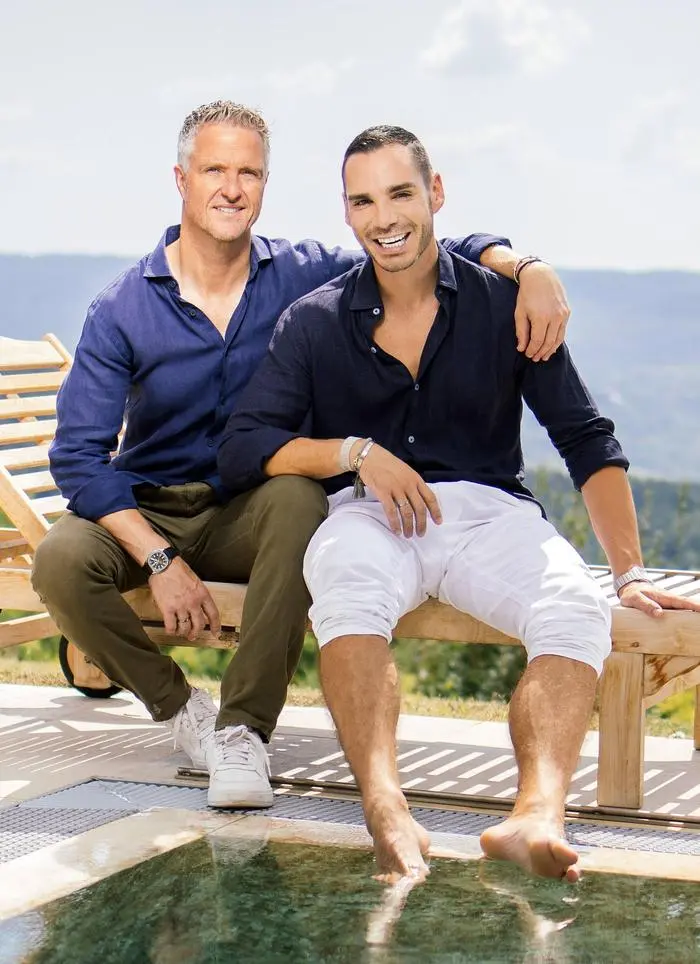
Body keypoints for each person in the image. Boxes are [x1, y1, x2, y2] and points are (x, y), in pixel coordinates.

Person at [32, 100, 571, 812]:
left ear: (264, 184)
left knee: (298, 499)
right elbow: (78, 459)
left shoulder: (301, 275)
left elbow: (411, 244)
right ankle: (179, 709)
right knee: (59, 561)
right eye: (215, 170)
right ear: (182, 179)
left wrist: (525, 265)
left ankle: (243, 731)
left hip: (251, 509)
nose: (232, 188)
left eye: (249, 172)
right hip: (149, 511)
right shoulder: (123, 307)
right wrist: (159, 560)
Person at [217, 125, 700, 878]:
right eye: (364, 200)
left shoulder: (505, 303)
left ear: (435, 194)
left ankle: (537, 814)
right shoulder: (314, 323)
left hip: (489, 513)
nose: (385, 217)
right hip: (370, 516)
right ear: (347, 214)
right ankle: (386, 809)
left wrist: (630, 571)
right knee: (342, 580)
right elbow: (245, 445)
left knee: (574, 603)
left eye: (401, 193)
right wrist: (355, 455)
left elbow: (584, 436)